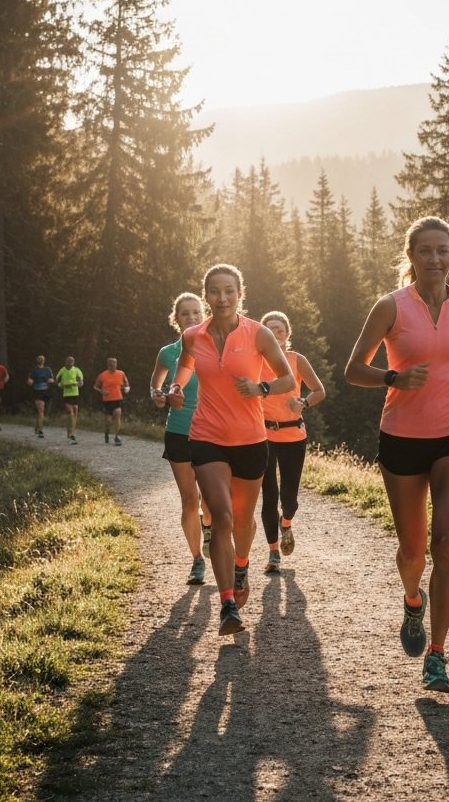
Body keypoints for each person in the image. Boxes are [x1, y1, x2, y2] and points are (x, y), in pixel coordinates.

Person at [345, 216, 449, 694]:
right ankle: (412, 600)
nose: (435, 258)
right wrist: (393, 378)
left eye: (443, 250)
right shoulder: (390, 307)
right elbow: (353, 370)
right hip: (402, 437)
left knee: (446, 542)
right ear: (410, 257)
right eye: (425, 251)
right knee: (412, 550)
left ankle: (437, 655)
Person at [167, 264, 295, 635]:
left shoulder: (257, 334)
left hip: (251, 439)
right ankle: (226, 605)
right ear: (205, 296)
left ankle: (241, 565)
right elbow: (184, 371)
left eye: (228, 291)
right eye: (214, 292)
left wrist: (262, 390)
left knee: (242, 519)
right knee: (220, 518)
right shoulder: (194, 336)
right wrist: (175, 392)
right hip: (206, 436)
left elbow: (285, 377)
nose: (221, 298)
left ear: (240, 293)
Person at [150, 292, 214, 585]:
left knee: (211, 502)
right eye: (185, 313)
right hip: (178, 431)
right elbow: (156, 387)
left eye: (196, 312)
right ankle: (197, 560)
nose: (192, 317)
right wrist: (160, 397)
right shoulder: (167, 353)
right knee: (190, 501)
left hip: (213, 432)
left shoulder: (216, 347)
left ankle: (210, 527)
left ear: (204, 315)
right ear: (176, 319)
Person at [258, 311, 326, 574]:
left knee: (289, 498)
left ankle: (286, 523)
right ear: (263, 335)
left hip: (293, 436)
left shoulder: (297, 360)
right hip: (262, 436)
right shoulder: (254, 361)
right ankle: (273, 552)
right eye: (270, 330)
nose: (276, 334)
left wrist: (303, 403)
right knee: (268, 496)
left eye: (280, 330)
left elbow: (319, 390)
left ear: (287, 334)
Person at [94, 358, 129, 445]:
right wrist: (101, 391)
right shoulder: (103, 375)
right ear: (107, 365)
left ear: (116, 364)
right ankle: (107, 431)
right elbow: (95, 386)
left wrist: (126, 388)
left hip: (118, 398)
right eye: (110, 364)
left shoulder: (121, 373)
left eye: (114, 364)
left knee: (117, 415)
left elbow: (126, 384)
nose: (112, 365)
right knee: (108, 419)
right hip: (107, 399)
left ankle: (116, 436)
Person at [56, 357, 84, 444]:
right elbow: (57, 380)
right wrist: (60, 385)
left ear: (74, 362)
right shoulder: (62, 370)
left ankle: (70, 432)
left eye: (71, 361)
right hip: (66, 395)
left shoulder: (77, 370)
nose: (69, 363)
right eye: (68, 361)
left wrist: (76, 383)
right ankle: (71, 435)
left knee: (74, 414)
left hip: (75, 394)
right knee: (70, 414)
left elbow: (81, 382)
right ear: (65, 362)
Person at [27, 355, 54, 438]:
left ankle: (37, 427)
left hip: (45, 391)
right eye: (39, 358)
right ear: (37, 360)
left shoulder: (47, 369)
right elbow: (29, 381)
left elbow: (52, 379)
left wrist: (50, 380)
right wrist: (31, 381)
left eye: (42, 358)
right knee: (41, 410)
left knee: (41, 411)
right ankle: (40, 430)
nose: (41, 360)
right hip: (37, 391)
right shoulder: (34, 370)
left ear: (44, 360)